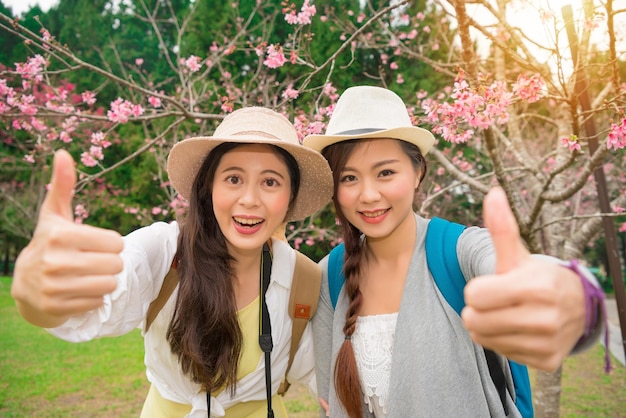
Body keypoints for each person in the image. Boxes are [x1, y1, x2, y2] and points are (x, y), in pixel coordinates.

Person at [303, 86, 607, 418]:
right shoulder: (329, 276)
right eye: (349, 178)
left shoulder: (457, 251)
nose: (369, 195)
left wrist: (568, 295)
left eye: (386, 172)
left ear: (418, 171)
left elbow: (518, 269)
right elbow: (330, 401)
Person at [11, 107, 334, 418]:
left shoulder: (302, 279)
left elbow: (322, 374)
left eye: (270, 182)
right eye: (233, 179)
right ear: (208, 188)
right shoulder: (164, 252)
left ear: (290, 199)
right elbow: (95, 300)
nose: (249, 199)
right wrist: (35, 296)